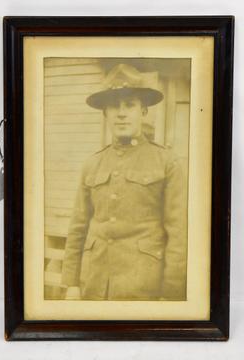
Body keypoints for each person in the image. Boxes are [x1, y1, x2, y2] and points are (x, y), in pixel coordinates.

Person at [61, 63, 187, 301]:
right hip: (94, 284)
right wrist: (71, 284)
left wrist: (171, 295)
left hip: (143, 287)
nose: (121, 113)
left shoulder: (166, 162)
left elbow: (178, 235)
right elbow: (78, 226)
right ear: (105, 113)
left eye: (130, 105)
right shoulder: (92, 164)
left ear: (143, 112)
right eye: (114, 105)